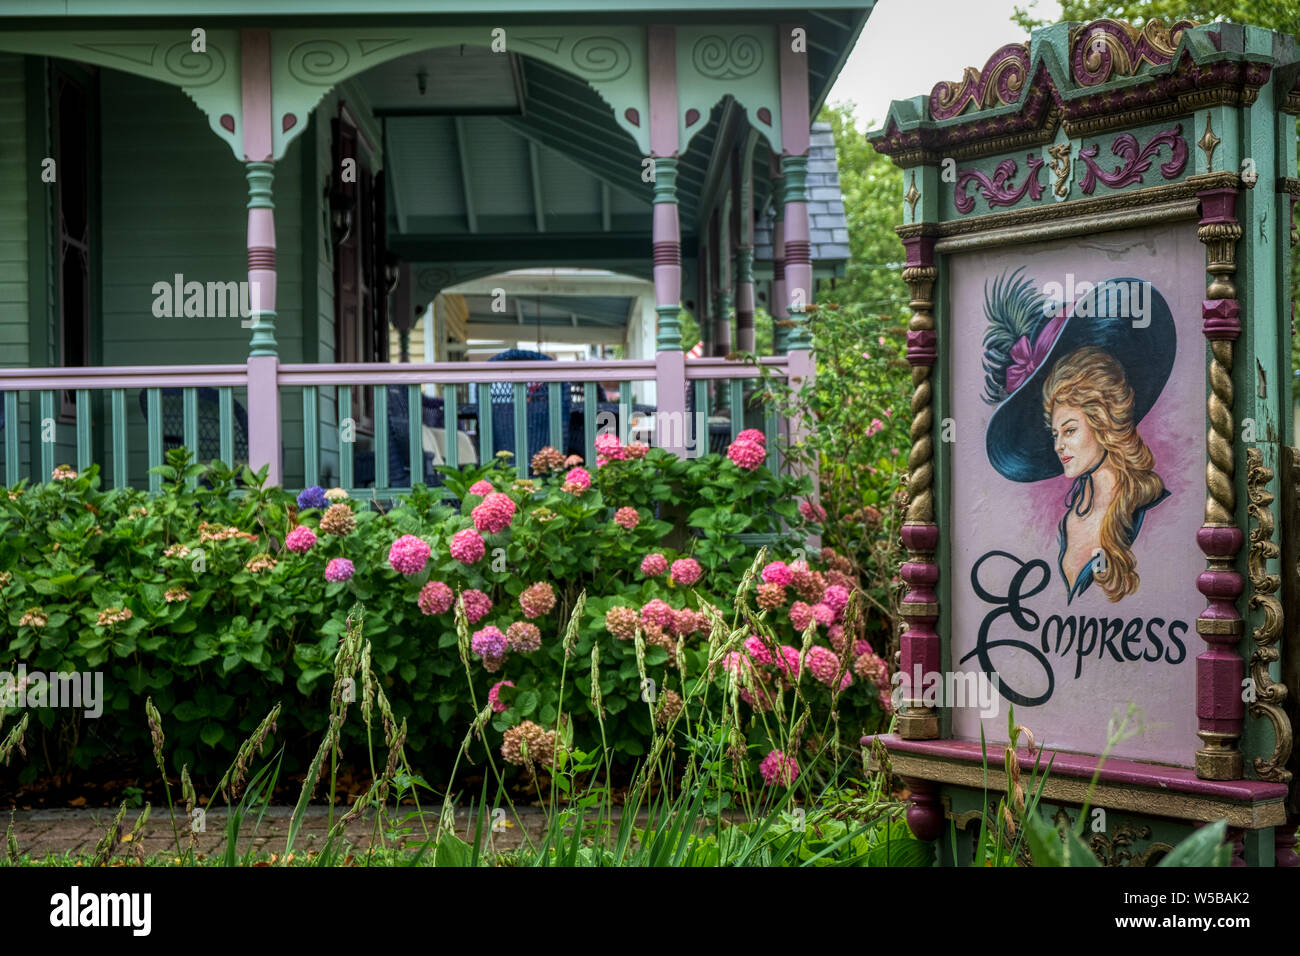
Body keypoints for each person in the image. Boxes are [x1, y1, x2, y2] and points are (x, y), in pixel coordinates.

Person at [1040, 346, 1168, 602]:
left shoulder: (1151, 509)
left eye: (1069, 431)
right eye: (1055, 434)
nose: (1058, 446)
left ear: (1103, 423)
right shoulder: (1069, 519)